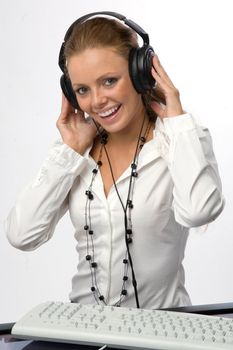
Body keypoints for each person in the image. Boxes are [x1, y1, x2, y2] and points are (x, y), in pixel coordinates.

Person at [6, 12, 224, 310]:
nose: (96, 101)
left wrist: (177, 122)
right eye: (82, 89)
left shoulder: (182, 140)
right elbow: (22, 235)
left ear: (140, 73)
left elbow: (199, 211)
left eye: (109, 81)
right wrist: (69, 153)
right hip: (83, 326)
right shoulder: (74, 152)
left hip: (161, 327)